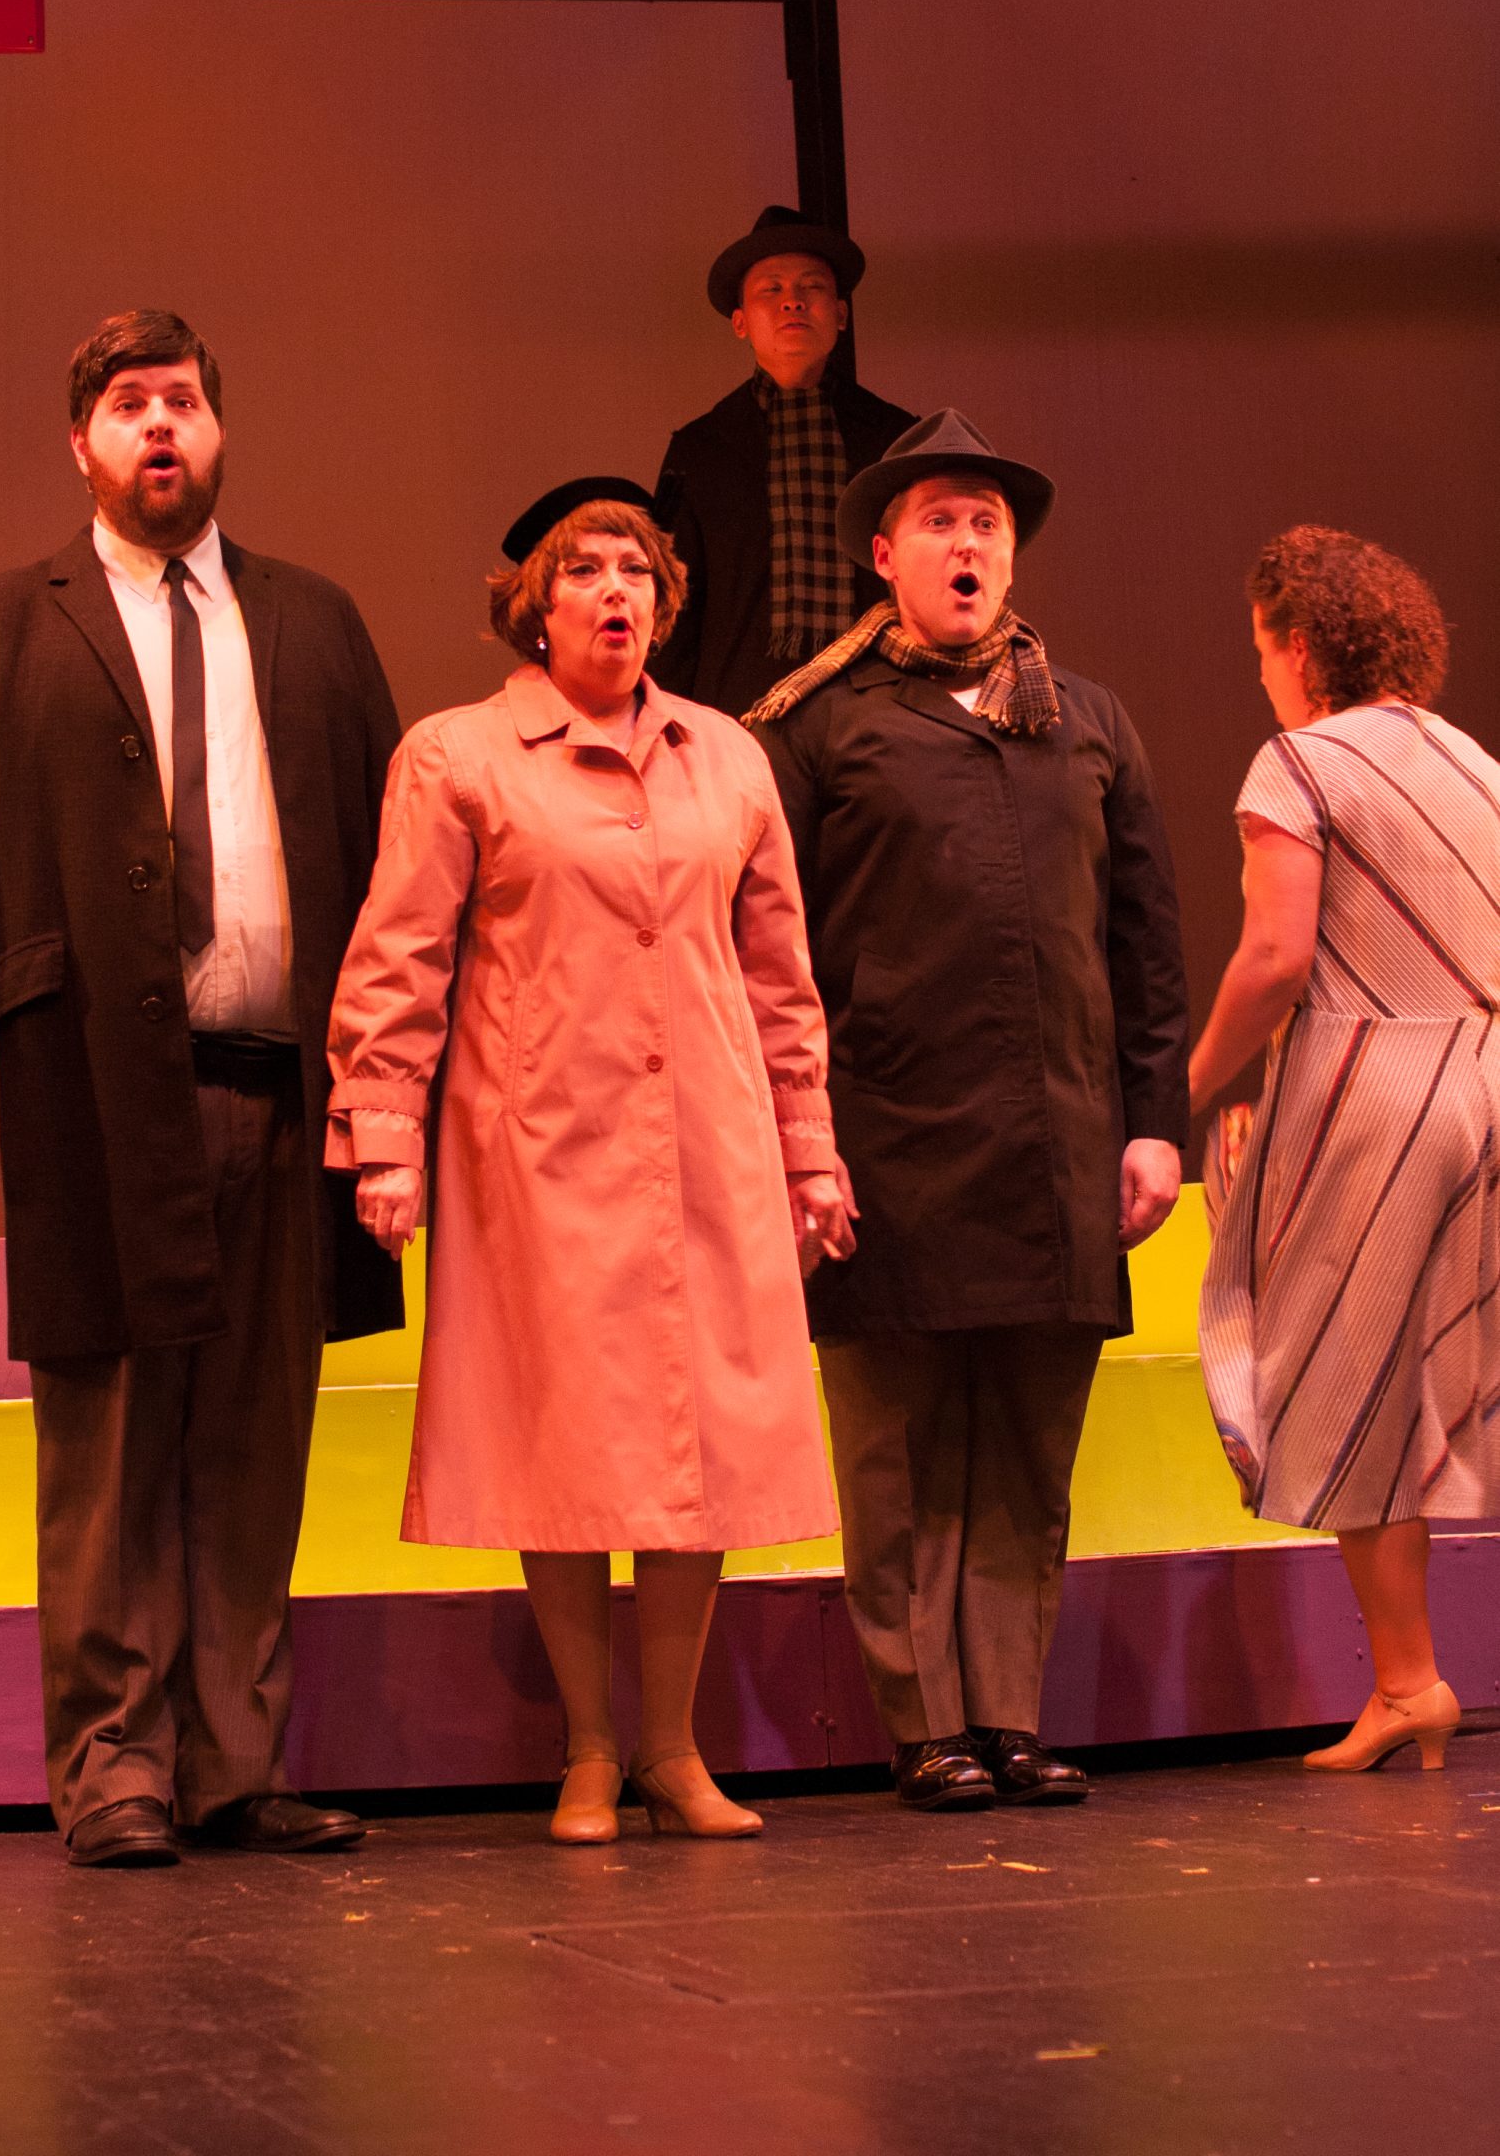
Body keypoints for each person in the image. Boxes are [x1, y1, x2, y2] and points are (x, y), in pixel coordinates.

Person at [0, 309, 403, 1868]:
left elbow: (392, 875)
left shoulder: (313, 621)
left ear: (219, 431)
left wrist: (394, 1086)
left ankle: (233, 1762)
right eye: (128, 405)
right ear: (83, 445)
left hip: (283, 1089)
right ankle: (115, 1766)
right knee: (108, 1442)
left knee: (256, 1432)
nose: (158, 424)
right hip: (93, 1086)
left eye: (181, 400)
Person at [326, 476, 851, 1844]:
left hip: (708, 1144)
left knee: (700, 1442)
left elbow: (781, 974)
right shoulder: (459, 755)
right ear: (534, 606)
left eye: (635, 572)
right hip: (536, 1150)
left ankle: (671, 1748)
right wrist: (383, 1140)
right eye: (584, 571)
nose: (614, 592)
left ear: (663, 605)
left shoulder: (729, 758)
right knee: (555, 1439)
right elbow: (398, 956)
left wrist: (809, 1153)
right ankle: (589, 1748)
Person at [749, 411, 1188, 1811]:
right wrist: (801, 1140)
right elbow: (773, 954)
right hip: (886, 1143)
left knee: (1028, 1454)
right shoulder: (820, 726)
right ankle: (923, 1722)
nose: (966, 543)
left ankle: (1006, 1712)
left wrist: (1152, 1121)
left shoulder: (1086, 719)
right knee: (896, 1452)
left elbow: (1145, 943)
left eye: (985, 523)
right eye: (939, 519)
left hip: (1057, 1141)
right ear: (885, 556)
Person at [1191, 526, 1500, 1773]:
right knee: (1442, 1385)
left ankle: (1411, 1680)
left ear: (1303, 645)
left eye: (1263, 648)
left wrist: (1188, 1083)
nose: (1262, 672)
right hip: (1487, 1080)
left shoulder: (1302, 763)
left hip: (1372, 1094)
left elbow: (1276, 956)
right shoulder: (1477, 763)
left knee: (1347, 1384)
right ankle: (1408, 1686)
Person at [654, 204, 916, 717]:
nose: (792, 301)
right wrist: (669, 725)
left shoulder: (897, 440)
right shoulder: (701, 449)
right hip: (737, 714)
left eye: (811, 287)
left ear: (841, 314)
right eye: (770, 290)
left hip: (881, 708)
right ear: (740, 322)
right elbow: (672, 605)